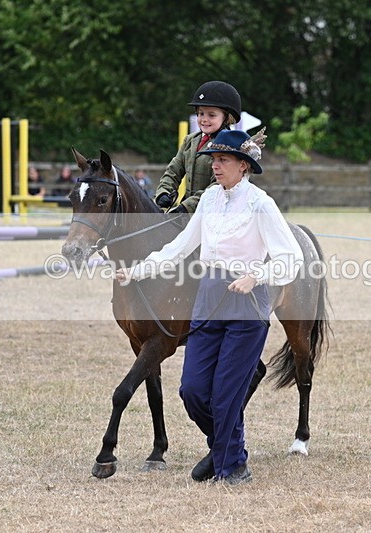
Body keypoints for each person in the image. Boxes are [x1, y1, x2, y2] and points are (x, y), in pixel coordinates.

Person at [115, 129, 303, 485]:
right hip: (208, 296)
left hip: (246, 303)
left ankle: (233, 466)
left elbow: (290, 258)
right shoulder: (209, 200)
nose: (215, 166)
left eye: (223, 160)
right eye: (214, 160)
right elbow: (180, 247)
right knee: (193, 390)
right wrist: (138, 271)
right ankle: (222, 448)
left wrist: (257, 276)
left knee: (226, 393)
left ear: (243, 166)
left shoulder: (261, 204)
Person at [154, 80, 242, 214]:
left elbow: (218, 186)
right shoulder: (190, 141)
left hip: (216, 212)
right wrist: (163, 192)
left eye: (211, 115)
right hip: (186, 212)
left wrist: (187, 206)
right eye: (201, 114)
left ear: (226, 118)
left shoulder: (229, 146)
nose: (204, 119)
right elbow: (173, 171)